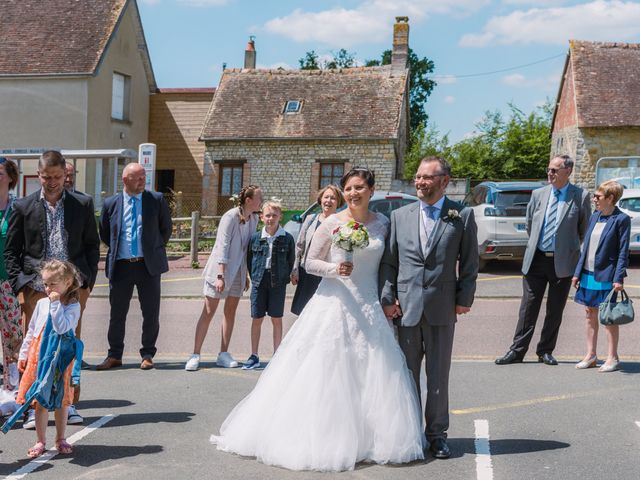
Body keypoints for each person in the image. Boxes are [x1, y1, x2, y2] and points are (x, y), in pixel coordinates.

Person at [210, 168, 425, 472]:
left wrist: (390, 298)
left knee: (375, 368)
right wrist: (335, 270)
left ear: (371, 190)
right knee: (327, 368)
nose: (353, 193)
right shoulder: (332, 223)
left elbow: (389, 265)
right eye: (348, 188)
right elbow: (310, 262)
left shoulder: (383, 224)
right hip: (334, 301)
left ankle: (369, 437)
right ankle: (328, 436)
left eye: (360, 188)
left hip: (369, 304)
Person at [380, 156, 479, 459]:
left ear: (444, 181)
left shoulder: (461, 215)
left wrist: (463, 299)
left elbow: (470, 263)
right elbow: (390, 262)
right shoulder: (401, 216)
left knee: (438, 377)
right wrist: (388, 297)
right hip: (405, 309)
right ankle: (409, 433)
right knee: (406, 375)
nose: (420, 182)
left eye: (427, 177)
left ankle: (437, 435)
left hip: (441, 308)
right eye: (418, 177)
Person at [5, 150, 99, 426]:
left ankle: (68, 404)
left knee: (69, 348)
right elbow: (11, 251)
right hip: (36, 289)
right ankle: (35, 406)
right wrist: (21, 285)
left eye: (58, 177)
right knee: (36, 349)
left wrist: (87, 282)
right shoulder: (23, 206)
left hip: (72, 289)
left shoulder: (82, 204)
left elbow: (92, 245)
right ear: (39, 175)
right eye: (46, 177)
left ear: (65, 175)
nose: (52, 182)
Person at [496, 155, 591, 366]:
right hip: (536, 259)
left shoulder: (580, 196)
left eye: (555, 170)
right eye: (549, 169)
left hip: (563, 262)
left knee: (555, 309)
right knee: (528, 308)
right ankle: (517, 351)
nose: (550, 173)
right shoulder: (539, 194)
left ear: (568, 172)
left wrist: (566, 247)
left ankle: (545, 350)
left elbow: (582, 229)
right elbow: (531, 224)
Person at [97, 163, 172, 371]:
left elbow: (165, 230)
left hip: (148, 266)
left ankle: (147, 353)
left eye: (144, 177)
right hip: (121, 266)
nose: (142, 182)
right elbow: (105, 232)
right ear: (125, 180)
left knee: (150, 312)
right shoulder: (111, 203)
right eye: (137, 178)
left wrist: (151, 249)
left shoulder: (155, 200)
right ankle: (114, 355)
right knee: (117, 313)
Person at [184, 185, 263, 371]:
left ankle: (223, 354)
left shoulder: (254, 218)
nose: (262, 201)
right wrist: (220, 276)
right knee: (209, 312)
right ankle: (195, 354)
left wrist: (246, 276)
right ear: (249, 200)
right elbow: (222, 246)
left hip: (238, 272)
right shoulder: (230, 216)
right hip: (221, 270)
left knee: (230, 313)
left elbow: (246, 250)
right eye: (260, 198)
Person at [15, 260, 83, 457]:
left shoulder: (72, 306)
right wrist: (24, 353)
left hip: (61, 357)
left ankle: (60, 438)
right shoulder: (41, 303)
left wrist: (55, 304)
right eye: (45, 284)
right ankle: (40, 440)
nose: (48, 288)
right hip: (40, 357)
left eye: (53, 284)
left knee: (61, 400)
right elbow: (32, 330)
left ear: (68, 282)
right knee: (41, 401)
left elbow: (62, 327)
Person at [572, 180, 630, 372]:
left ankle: (612, 357)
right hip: (588, 273)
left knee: (608, 317)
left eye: (598, 196)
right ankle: (591, 355)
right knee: (590, 314)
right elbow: (586, 246)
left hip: (607, 275)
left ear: (610, 198)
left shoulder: (621, 219)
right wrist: (577, 272)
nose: (594, 199)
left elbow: (623, 251)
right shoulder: (595, 216)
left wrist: (618, 278)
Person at [243, 200, 295, 369]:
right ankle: (254, 355)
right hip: (259, 280)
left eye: (274, 215)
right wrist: (253, 277)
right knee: (257, 318)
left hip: (278, 283)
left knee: (276, 318)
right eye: (267, 215)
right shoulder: (256, 238)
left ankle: (276, 355)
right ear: (261, 217)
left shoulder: (287, 238)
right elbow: (250, 259)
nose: (271, 218)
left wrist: (285, 276)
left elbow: (290, 259)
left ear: (280, 216)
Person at [290, 185, 343, 315]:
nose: (329, 201)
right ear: (320, 199)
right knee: (303, 312)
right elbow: (299, 245)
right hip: (307, 272)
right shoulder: (310, 219)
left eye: (333, 198)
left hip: (328, 273)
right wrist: (295, 270)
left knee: (322, 312)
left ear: (338, 202)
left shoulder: (341, 222)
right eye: (326, 197)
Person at [0, 158, 22, 391]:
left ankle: (12, 388)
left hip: (8, 283)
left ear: (10, 178)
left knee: (13, 338)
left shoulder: (18, 208)